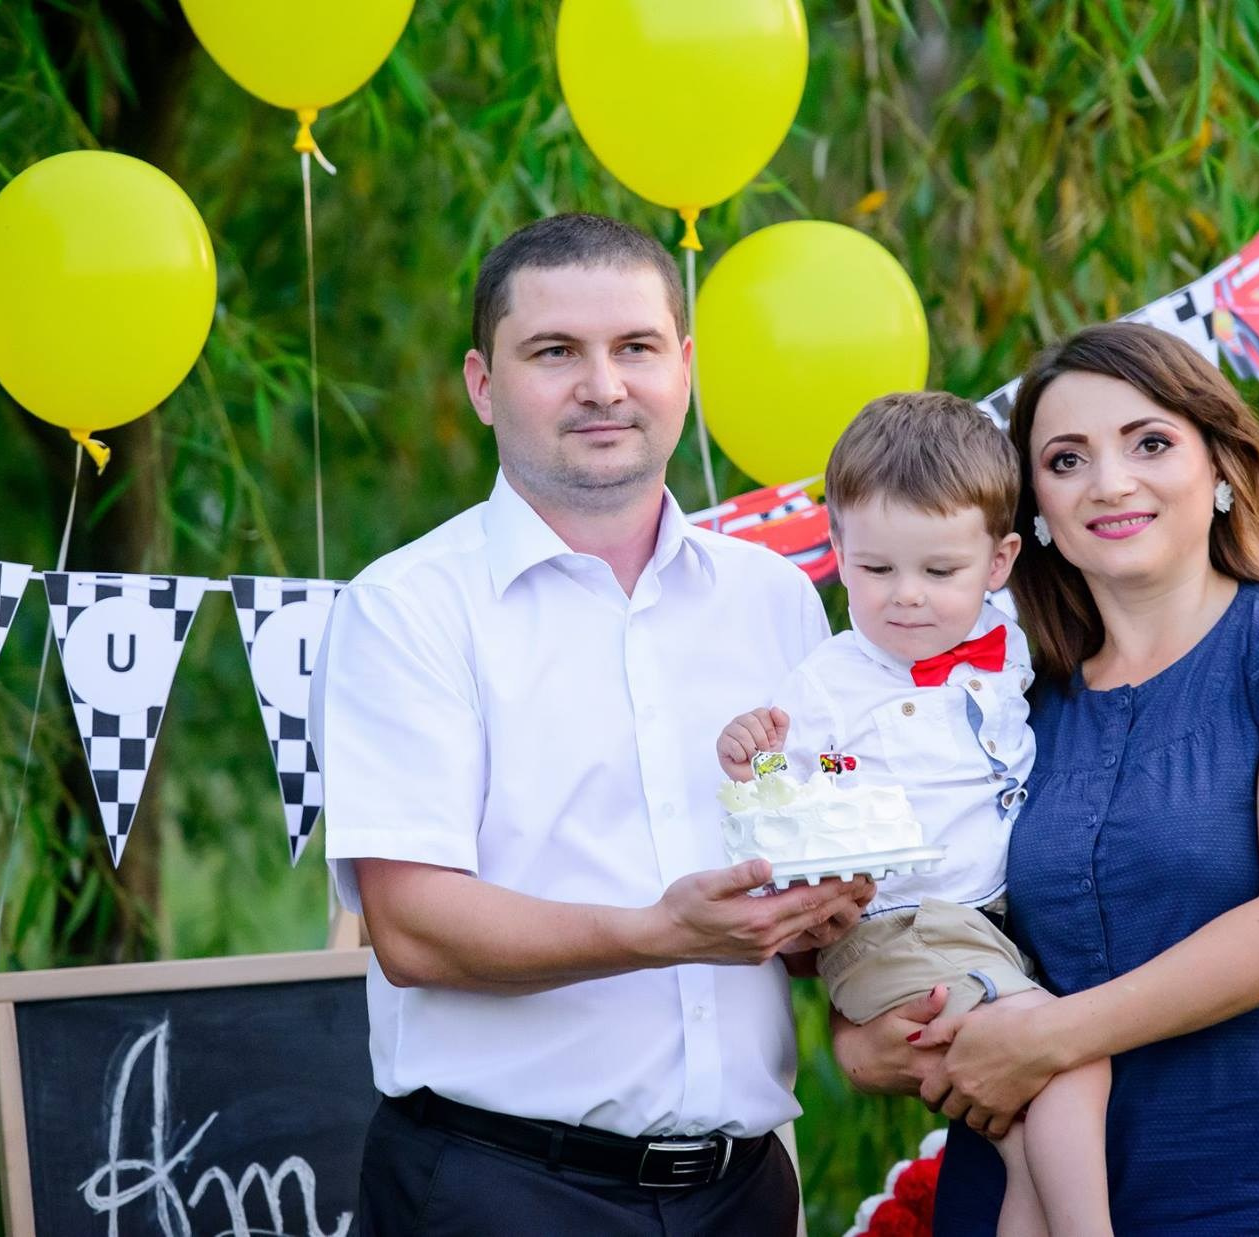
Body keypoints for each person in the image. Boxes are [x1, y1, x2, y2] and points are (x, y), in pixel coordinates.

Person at [312, 212, 874, 1236]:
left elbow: (796, 860)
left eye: (635, 349)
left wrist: (819, 917)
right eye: (555, 352)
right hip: (501, 1188)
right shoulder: (406, 608)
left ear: (684, 367)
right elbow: (413, 928)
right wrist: (660, 934)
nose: (604, 386)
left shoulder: (775, 597)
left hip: (742, 1191)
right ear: (483, 384)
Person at [832, 322, 1259, 1233]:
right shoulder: (1014, 702)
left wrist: (1050, 1038)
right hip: (1013, 1195)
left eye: (1150, 442)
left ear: (1219, 465)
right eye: (1066, 460)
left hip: (1239, 1189)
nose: (1109, 482)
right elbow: (920, 901)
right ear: (1032, 519)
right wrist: (868, 1040)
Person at [716, 392, 1112, 1237]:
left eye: (940, 572)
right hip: (899, 926)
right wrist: (758, 753)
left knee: (1026, 1140)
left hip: (983, 926)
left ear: (1000, 560)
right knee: (1073, 1066)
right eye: (876, 569)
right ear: (837, 550)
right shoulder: (828, 683)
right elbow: (795, 783)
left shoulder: (1008, 641)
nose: (906, 598)